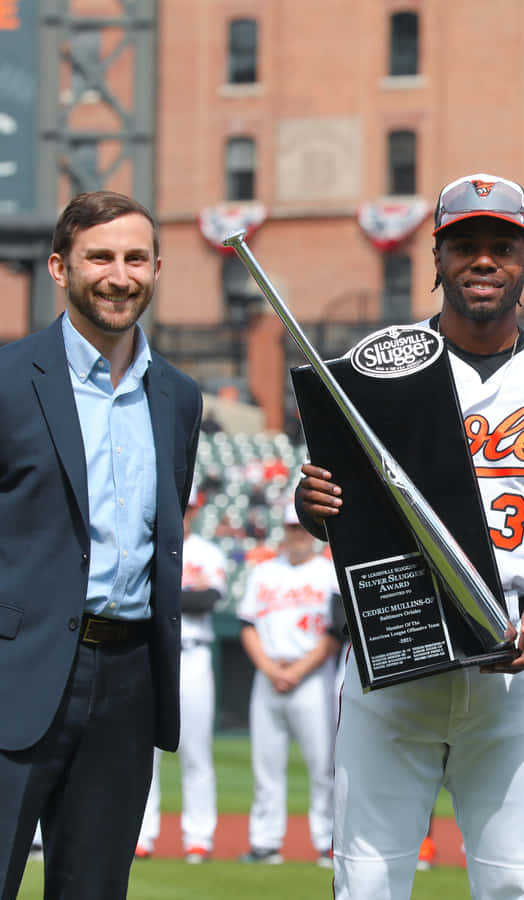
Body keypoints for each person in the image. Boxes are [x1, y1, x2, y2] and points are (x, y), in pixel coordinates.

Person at [298, 173, 524, 900]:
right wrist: (313, 503)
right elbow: (342, 511)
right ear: (437, 259)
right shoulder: (375, 372)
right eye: (464, 245)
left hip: (512, 660)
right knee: (364, 883)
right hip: (394, 656)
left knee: (516, 887)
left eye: (501, 246)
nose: (483, 260)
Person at [0, 191, 202, 898]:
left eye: (136, 258)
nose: (120, 275)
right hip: (14, 677)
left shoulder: (179, 397)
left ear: (155, 267)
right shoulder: (6, 381)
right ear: (59, 267)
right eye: (101, 257)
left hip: (128, 684)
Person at [235, 505, 343, 867]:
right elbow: (247, 625)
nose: (297, 534)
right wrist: (270, 669)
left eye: (302, 528)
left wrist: (297, 671)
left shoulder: (328, 573)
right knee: (266, 765)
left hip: (312, 677)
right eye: (291, 527)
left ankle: (326, 841)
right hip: (268, 676)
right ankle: (265, 842)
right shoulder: (264, 572)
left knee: (322, 766)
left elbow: (335, 632)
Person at [136, 485, 226, 862]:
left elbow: (209, 599)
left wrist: (169, 593)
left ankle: (199, 836)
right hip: (154, 654)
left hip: (194, 655)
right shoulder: (150, 544)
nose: (183, 512)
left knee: (196, 752)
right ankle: (142, 834)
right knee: (144, 752)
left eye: (188, 507)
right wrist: (185, 592)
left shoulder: (207, 552)